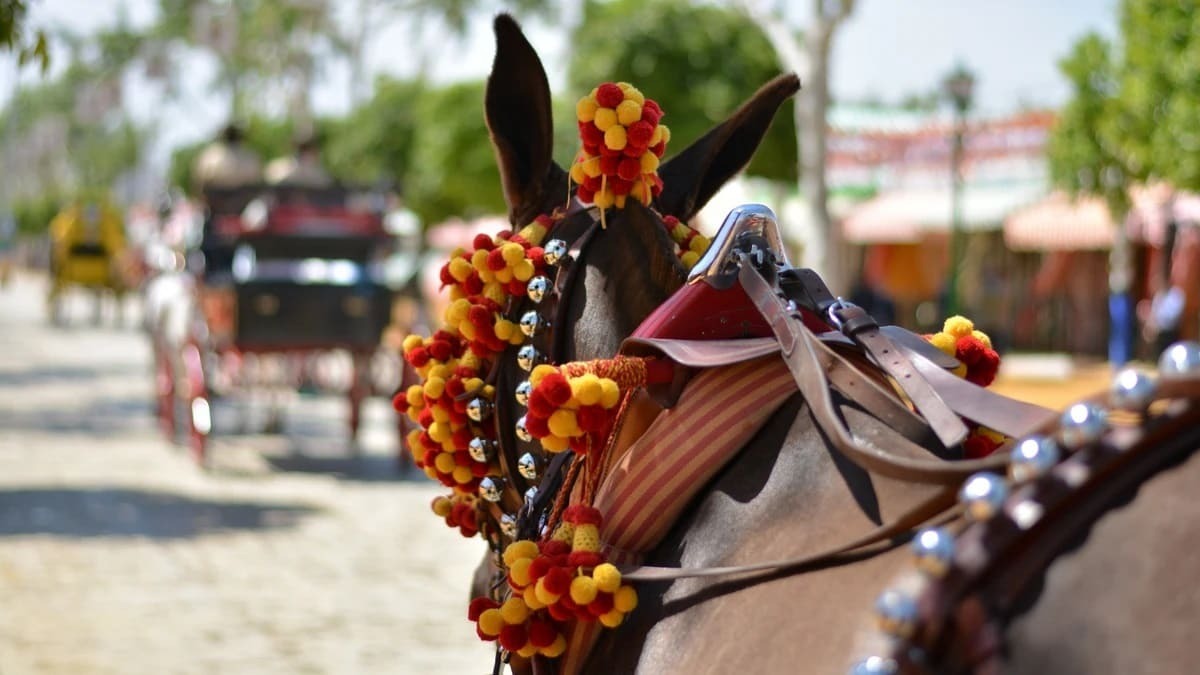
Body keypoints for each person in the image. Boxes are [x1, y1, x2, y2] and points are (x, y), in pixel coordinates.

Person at [191, 123, 263, 191]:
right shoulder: (251, 157)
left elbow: (199, 183)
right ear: (241, 137)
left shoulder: (210, 156)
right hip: (245, 195)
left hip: (218, 196)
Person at [264, 132, 333, 188]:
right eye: (302, 148)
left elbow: (326, 184)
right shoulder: (279, 167)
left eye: (308, 147)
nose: (305, 153)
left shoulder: (320, 173)